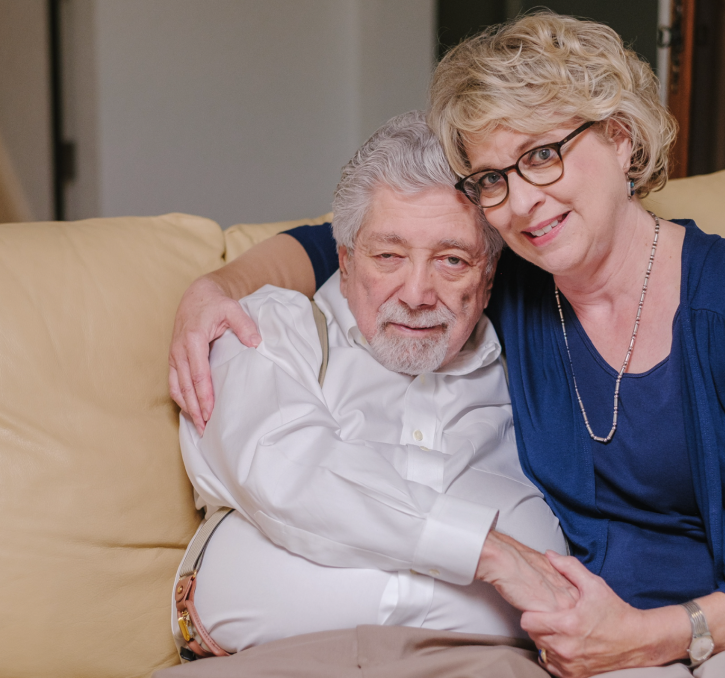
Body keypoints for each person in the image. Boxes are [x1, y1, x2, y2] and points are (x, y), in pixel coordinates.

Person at [167, 13, 725, 678]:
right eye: (493, 178)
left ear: (621, 138)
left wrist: (659, 636)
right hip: (609, 644)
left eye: (543, 154)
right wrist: (219, 284)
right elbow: (372, 238)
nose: (522, 200)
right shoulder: (516, 286)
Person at [162, 112, 569, 677]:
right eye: (389, 256)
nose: (419, 293)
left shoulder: (532, 363)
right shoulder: (268, 331)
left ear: (490, 274)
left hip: (491, 664)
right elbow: (291, 470)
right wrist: (491, 553)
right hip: (280, 661)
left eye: (452, 260)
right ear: (346, 260)